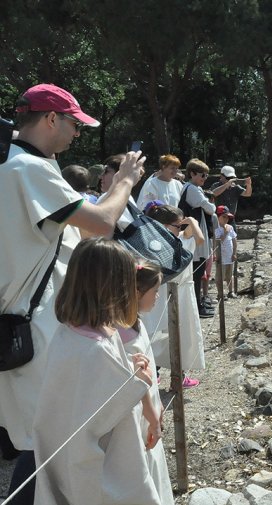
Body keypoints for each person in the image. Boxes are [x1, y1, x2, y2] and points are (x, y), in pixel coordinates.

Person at [0, 83, 144, 505]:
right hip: (37, 329)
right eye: (73, 124)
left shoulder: (16, 165)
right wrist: (125, 183)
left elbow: (73, 232)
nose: (77, 133)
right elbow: (100, 222)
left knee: (40, 439)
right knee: (45, 444)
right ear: (49, 119)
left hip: (26, 324)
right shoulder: (29, 170)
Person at [32, 238, 161, 505]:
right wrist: (138, 381)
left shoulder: (68, 332)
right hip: (100, 467)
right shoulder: (96, 349)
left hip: (63, 456)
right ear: (115, 285)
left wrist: (128, 372)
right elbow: (101, 418)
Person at [120, 260, 175, 504]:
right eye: (155, 291)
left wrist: (157, 405)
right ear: (136, 292)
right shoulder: (121, 335)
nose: (158, 297)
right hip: (138, 418)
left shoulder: (137, 323)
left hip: (150, 411)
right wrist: (152, 414)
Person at [143, 203, 206, 389]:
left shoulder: (159, 243)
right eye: (178, 226)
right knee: (169, 335)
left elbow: (198, 239)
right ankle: (166, 373)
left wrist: (186, 224)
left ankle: (168, 374)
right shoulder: (173, 245)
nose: (181, 230)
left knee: (170, 334)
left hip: (167, 293)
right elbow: (199, 238)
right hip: (174, 294)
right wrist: (192, 222)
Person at [178, 159, 216, 317]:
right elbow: (210, 209)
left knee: (197, 272)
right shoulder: (193, 189)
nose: (204, 178)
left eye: (206, 175)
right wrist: (209, 204)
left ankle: (198, 303)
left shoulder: (189, 187)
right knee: (196, 272)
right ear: (192, 173)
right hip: (194, 235)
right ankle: (196, 307)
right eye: (202, 174)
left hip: (195, 233)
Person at [214, 205, 238, 298]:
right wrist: (225, 232)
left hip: (230, 255)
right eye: (224, 216)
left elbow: (234, 240)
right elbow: (219, 241)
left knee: (229, 275)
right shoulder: (216, 228)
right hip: (221, 257)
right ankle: (220, 293)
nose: (226, 219)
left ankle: (230, 291)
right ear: (218, 216)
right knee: (220, 276)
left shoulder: (230, 227)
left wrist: (234, 253)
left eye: (227, 217)